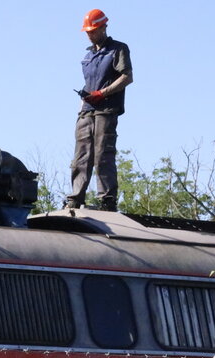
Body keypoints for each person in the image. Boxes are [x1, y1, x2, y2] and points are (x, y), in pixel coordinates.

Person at [64, 9, 133, 211]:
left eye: (93, 30)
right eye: (87, 31)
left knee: (103, 154)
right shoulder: (88, 56)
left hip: (106, 109)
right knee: (81, 156)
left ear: (104, 27)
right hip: (87, 110)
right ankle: (75, 198)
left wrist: (102, 93)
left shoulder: (118, 49)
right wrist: (84, 104)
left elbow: (127, 77)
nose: (89, 34)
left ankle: (107, 200)